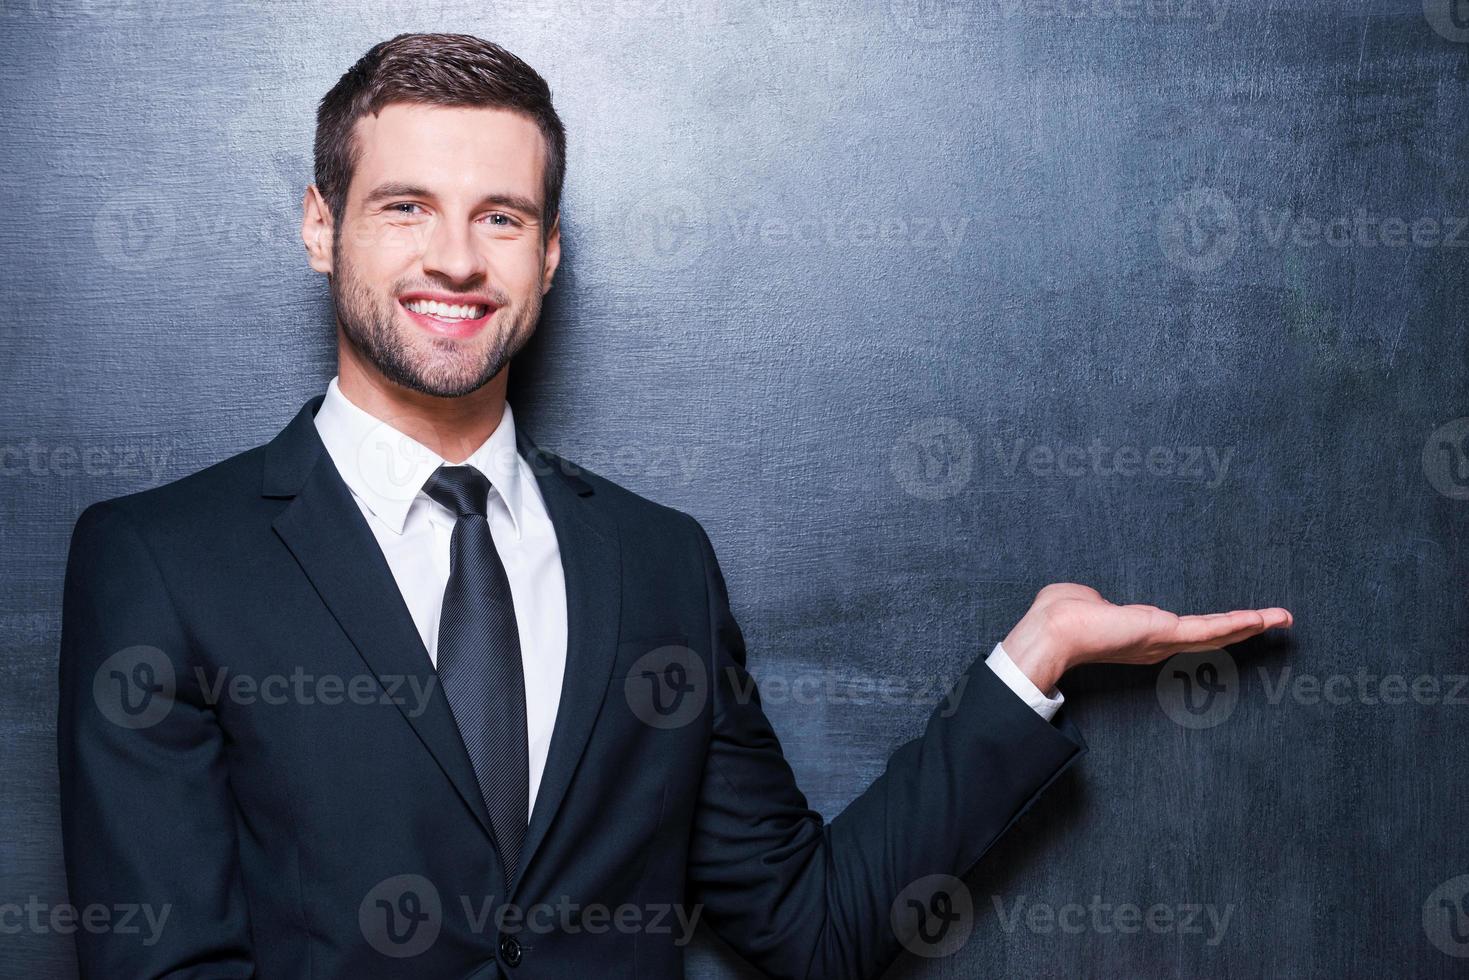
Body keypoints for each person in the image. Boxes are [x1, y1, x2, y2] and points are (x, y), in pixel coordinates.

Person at [56, 32, 1292, 980]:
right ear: (322, 230)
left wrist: (1031, 660)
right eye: (404, 207)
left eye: (502, 216)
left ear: (547, 255)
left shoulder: (656, 564)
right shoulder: (160, 562)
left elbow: (807, 925)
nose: (455, 258)